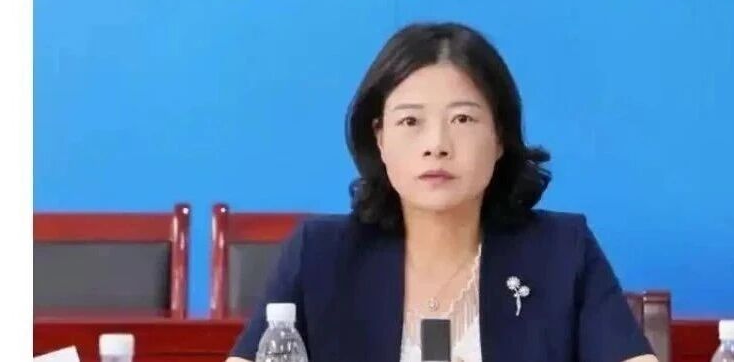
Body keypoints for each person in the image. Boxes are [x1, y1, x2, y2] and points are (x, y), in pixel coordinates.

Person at [226, 22, 658, 362]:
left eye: (462, 119)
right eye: (411, 122)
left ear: (500, 137)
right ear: (380, 138)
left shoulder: (562, 252)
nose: (437, 145)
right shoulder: (319, 255)